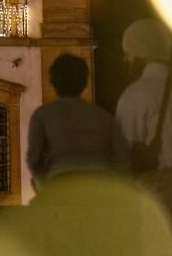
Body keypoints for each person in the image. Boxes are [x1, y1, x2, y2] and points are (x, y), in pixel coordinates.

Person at [27, 53, 129, 189]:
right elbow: (122, 158)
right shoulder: (104, 116)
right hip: (99, 185)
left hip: (60, 184)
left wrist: (43, 186)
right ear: (84, 82)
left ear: (53, 82)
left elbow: (33, 160)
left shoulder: (41, 115)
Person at [115, 18, 172, 169]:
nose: (125, 59)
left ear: (141, 54)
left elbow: (124, 151)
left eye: (128, 53)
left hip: (158, 187)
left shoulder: (134, 95)